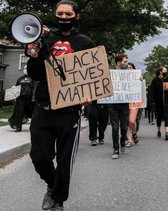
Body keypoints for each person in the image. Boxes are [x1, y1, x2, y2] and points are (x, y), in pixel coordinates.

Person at [27, 1, 94, 210]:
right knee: (39, 157)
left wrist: (88, 95)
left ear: (76, 17)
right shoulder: (44, 39)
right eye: (60, 13)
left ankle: (58, 201)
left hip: (69, 111)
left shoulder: (86, 43)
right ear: (55, 15)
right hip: (43, 108)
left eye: (68, 13)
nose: (64, 17)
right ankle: (51, 183)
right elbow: (34, 74)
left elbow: (91, 77)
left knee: (64, 163)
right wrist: (34, 55)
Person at [109, 54, 129, 158]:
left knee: (124, 127)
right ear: (118, 63)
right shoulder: (110, 74)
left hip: (124, 104)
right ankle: (115, 149)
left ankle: (122, 142)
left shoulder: (130, 75)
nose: (126, 64)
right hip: (113, 105)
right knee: (115, 128)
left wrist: (138, 80)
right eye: (125, 62)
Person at [149, 66, 168, 140]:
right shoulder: (155, 81)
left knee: (167, 117)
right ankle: (159, 130)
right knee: (159, 117)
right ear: (160, 72)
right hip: (158, 103)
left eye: (166, 71)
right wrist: (152, 103)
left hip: (167, 102)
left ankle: (167, 133)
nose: (165, 72)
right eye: (164, 70)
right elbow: (151, 92)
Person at [8, 65, 37, 132]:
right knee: (19, 112)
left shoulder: (33, 78)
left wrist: (33, 97)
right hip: (20, 98)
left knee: (33, 113)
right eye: (24, 68)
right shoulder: (20, 79)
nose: (25, 70)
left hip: (29, 98)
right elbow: (17, 87)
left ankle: (33, 127)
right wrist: (13, 88)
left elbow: (34, 88)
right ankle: (18, 127)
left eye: (26, 68)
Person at [126, 62, 139, 147]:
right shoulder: (122, 78)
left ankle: (134, 133)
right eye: (127, 67)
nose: (129, 69)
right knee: (126, 122)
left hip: (134, 102)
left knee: (131, 120)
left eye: (131, 67)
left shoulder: (137, 78)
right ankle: (129, 140)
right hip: (125, 102)